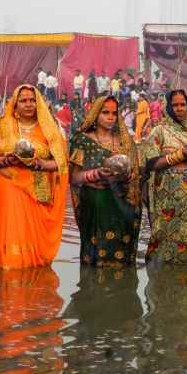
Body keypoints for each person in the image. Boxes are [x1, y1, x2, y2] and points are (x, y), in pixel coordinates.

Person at [0, 85, 68, 268]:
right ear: (15, 105)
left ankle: (35, 282)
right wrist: (8, 160)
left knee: (35, 244)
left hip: (38, 192)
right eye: (23, 100)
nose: (28, 104)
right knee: (13, 237)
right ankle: (10, 284)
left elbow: (62, 163)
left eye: (32, 100)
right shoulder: (5, 127)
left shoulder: (49, 130)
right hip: (9, 188)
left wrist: (42, 165)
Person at [141, 90, 187, 264]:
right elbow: (150, 163)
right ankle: (163, 282)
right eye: (175, 105)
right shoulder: (159, 131)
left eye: (183, 105)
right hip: (170, 201)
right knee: (167, 242)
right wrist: (180, 155)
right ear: (167, 107)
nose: (180, 109)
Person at [69, 96, 142, 265]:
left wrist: (129, 175)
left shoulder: (125, 141)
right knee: (96, 259)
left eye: (114, 113)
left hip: (122, 206)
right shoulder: (83, 140)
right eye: (105, 113)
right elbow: (73, 177)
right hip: (96, 205)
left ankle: (120, 289)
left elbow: (136, 173)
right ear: (95, 114)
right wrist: (96, 174)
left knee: (121, 257)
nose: (110, 117)